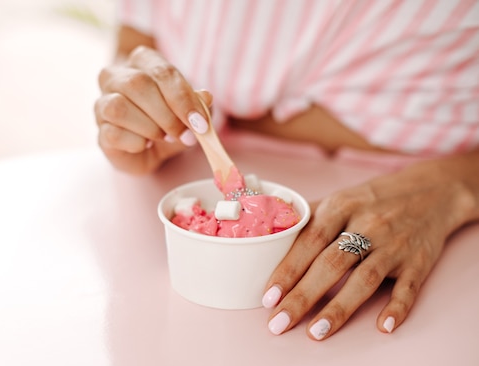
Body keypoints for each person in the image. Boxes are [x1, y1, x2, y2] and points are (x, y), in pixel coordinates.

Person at [94, 0, 479, 341]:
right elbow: (132, 50)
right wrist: (136, 105)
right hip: (153, 210)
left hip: (429, 243)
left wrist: (453, 184)